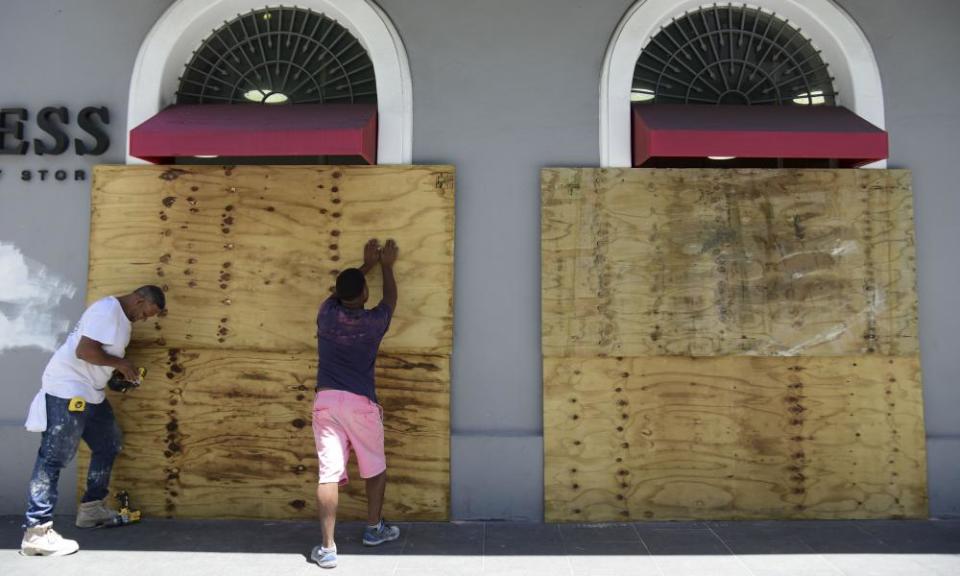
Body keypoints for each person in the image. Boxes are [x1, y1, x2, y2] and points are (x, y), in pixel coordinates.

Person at [20, 286, 165, 556]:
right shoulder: (107, 310)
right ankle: (36, 532)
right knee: (53, 458)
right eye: (145, 312)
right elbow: (84, 351)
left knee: (109, 444)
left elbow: (97, 359)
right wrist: (121, 364)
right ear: (139, 299)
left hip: (91, 393)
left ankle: (91, 510)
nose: (144, 318)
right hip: (67, 389)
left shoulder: (123, 320)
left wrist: (116, 378)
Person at [310, 238, 400, 569]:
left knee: (328, 474)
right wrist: (386, 267)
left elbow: (340, 292)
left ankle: (328, 548)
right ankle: (374, 529)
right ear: (364, 294)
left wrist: (366, 266)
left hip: (327, 402)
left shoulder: (326, 314)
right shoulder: (373, 322)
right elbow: (389, 299)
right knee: (374, 466)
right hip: (361, 404)